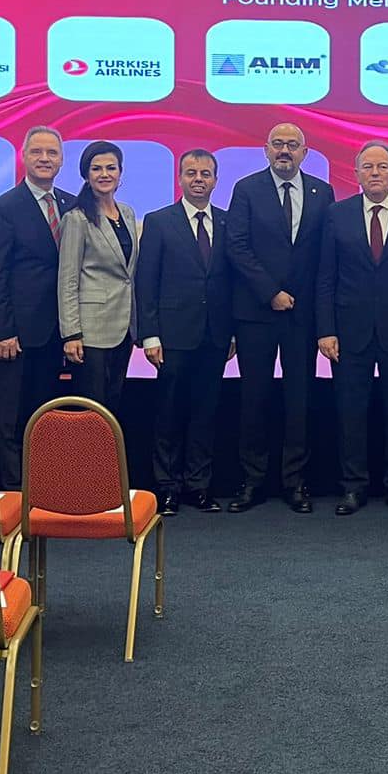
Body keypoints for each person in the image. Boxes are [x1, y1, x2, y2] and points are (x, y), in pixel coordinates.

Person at [317, 142, 388, 517]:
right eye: (367, 167)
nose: (375, 173)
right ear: (356, 174)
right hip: (348, 332)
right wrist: (325, 330)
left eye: (382, 167)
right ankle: (353, 487)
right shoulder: (337, 214)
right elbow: (325, 277)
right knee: (350, 413)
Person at [224, 122, 335, 513]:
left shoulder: (322, 192)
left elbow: (325, 255)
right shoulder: (246, 189)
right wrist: (270, 292)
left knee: (299, 400)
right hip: (256, 313)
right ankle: (253, 481)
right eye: (278, 144)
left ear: (305, 152)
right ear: (266, 150)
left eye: (292, 144)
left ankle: (295, 481)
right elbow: (236, 246)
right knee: (254, 398)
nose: (284, 150)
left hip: (303, 316)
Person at [136, 150, 234, 515]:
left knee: (205, 413)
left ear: (215, 180)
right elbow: (146, 281)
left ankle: (199, 486)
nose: (198, 179)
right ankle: (167, 488)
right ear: (179, 178)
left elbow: (233, 283)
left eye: (205, 174)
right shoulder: (159, 221)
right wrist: (150, 335)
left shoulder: (228, 222)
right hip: (172, 336)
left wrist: (233, 333)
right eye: (191, 173)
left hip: (216, 335)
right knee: (169, 413)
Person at [0, 126, 75, 490]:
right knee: (13, 415)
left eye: (52, 153)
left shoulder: (71, 204)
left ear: (61, 160)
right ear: (24, 157)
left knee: (46, 413)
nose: (44, 159)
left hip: (59, 330)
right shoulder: (5, 206)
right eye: (37, 152)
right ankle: (13, 489)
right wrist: (2, 331)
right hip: (18, 333)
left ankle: (43, 484)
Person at [58, 140, 140, 408]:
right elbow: (67, 280)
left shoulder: (127, 213)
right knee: (92, 407)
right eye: (96, 169)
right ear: (86, 175)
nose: (105, 174)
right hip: (90, 331)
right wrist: (71, 334)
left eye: (111, 168)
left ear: (120, 172)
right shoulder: (77, 218)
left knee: (114, 402)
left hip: (124, 327)